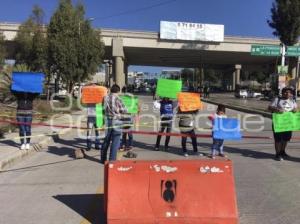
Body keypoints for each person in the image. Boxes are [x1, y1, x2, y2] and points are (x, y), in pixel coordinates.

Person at [268, 87, 298, 161]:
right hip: (278, 123)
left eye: (289, 92)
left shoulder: (292, 101)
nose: (287, 94)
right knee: (278, 139)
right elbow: (269, 107)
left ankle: (283, 151)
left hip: (288, 123)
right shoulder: (277, 99)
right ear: (282, 93)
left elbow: (296, 109)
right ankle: (277, 154)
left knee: (286, 139)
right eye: (285, 92)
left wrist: (295, 110)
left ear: (291, 94)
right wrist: (277, 109)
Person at [101, 84, 127, 163]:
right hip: (117, 121)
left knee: (106, 140)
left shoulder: (105, 98)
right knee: (115, 141)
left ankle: (103, 159)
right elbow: (124, 110)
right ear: (118, 91)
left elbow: (103, 109)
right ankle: (112, 160)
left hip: (108, 120)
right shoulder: (119, 99)